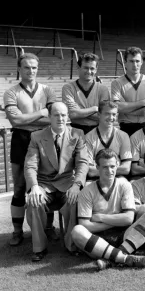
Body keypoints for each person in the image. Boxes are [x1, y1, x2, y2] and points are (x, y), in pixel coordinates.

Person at [3, 53, 57, 246]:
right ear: (19, 69)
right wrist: (42, 113)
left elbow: (53, 118)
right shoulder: (11, 92)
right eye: (27, 67)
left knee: (46, 184)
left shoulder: (48, 90)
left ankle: (48, 228)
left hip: (44, 138)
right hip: (21, 139)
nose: (31, 71)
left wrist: (29, 117)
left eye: (34, 67)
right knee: (18, 187)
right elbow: (15, 121)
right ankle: (17, 231)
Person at [24, 102, 89, 261]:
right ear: (49, 116)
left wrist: (77, 184)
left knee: (75, 199)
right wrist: (34, 187)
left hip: (68, 183)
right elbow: (30, 165)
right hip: (44, 185)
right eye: (56, 115)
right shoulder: (36, 136)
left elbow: (83, 163)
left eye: (63, 115)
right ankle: (39, 248)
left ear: (67, 116)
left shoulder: (77, 134)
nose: (60, 118)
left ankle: (72, 244)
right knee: (34, 202)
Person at [71, 149, 145, 271]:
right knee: (77, 231)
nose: (110, 171)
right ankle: (125, 258)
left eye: (112, 166)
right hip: (98, 241)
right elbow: (85, 225)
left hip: (123, 236)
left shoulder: (124, 185)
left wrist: (100, 217)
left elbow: (128, 219)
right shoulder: (86, 192)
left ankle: (111, 259)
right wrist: (116, 220)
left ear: (117, 165)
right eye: (105, 167)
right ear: (97, 167)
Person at [111, 46, 145, 136]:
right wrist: (143, 102)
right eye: (131, 61)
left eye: (137, 61)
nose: (135, 64)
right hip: (126, 128)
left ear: (141, 62)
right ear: (125, 63)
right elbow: (117, 107)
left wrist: (126, 109)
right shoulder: (116, 83)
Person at [62, 52, 110, 135]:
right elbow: (73, 114)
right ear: (78, 67)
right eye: (86, 68)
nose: (89, 71)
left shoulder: (103, 89)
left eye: (92, 68)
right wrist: (95, 109)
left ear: (96, 69)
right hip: (75, 131)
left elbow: (104, 117)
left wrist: (79, 111)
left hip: (98, 132)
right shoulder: (68, 88)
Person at [86, 101, 132, 179]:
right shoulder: (88, 137)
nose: (111, 118)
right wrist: (116, 168)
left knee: (126, 185)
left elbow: (126, 169)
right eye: (107, 114)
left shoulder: (123, 136)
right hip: (96, 180)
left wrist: (101, 169)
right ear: (99, 115)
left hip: (118, 178)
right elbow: (90, 171)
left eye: (114, 114)